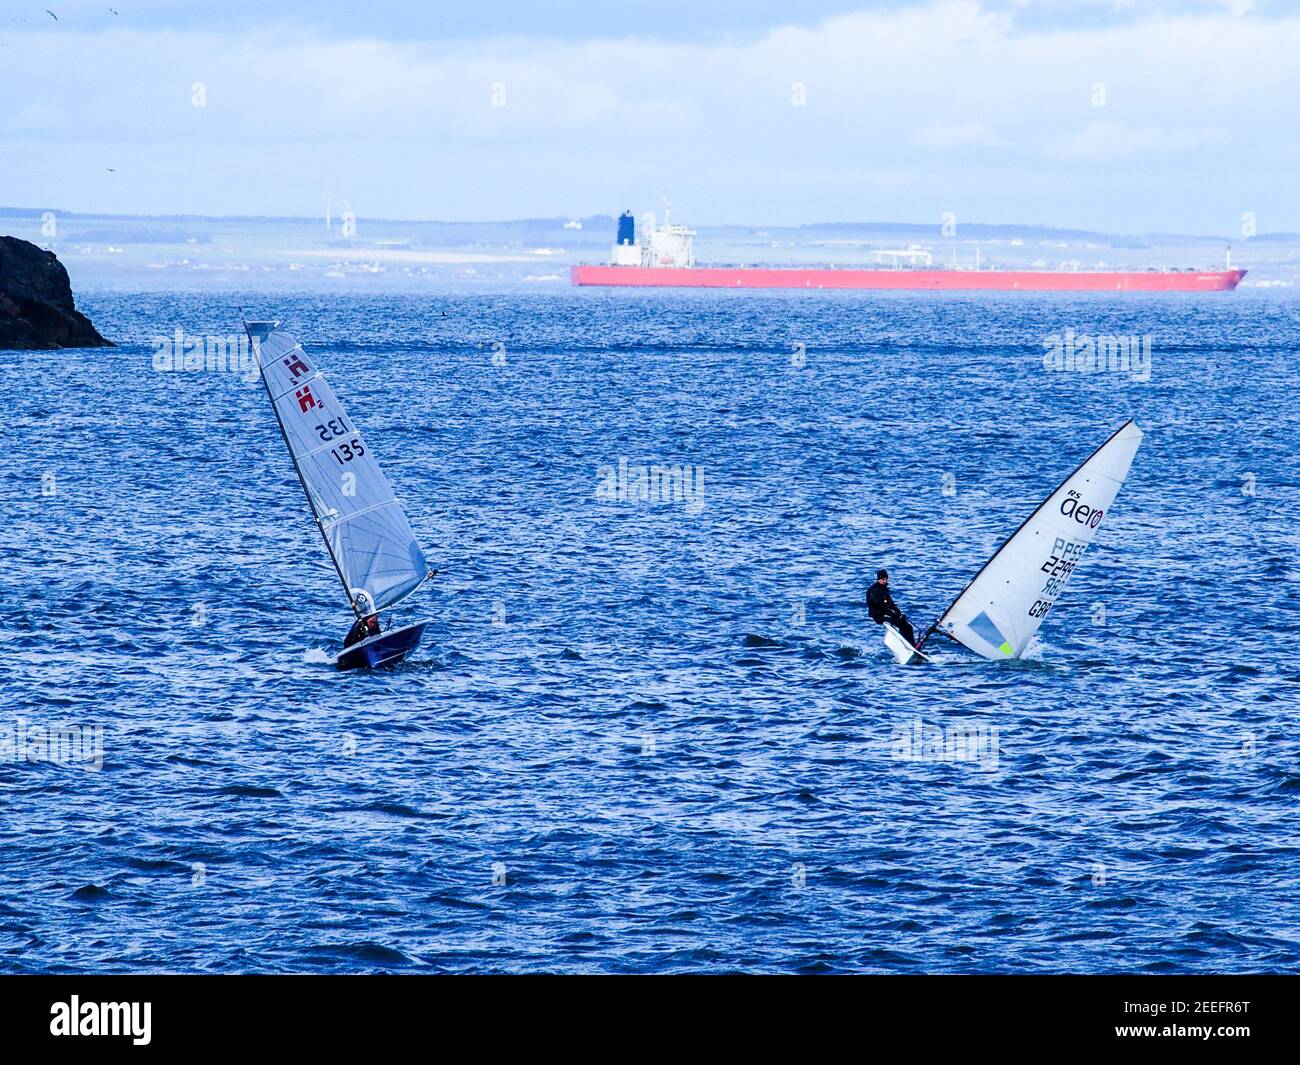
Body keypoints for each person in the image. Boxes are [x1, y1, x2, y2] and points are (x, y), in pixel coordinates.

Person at [867, 569, 917, 647]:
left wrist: (898, 613)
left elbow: (891, 604)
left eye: (886, 579)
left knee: (908, 626)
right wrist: (894, 615)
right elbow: (882, 607)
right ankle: (905, 645)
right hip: (879, 615)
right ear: (878, 579)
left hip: (887, 613)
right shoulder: (875, 591)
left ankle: (912, 645)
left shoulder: (884, 589)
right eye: (883, 579)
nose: (885, 581)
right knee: (902, 625)